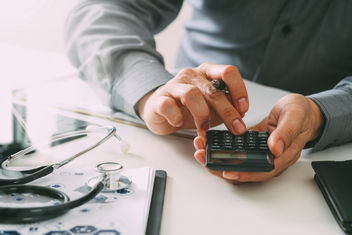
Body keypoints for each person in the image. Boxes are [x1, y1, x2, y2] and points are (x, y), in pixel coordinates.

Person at [65, 0, 352, 183]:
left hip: (320, 159)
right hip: (177, 134)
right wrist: (150, 91)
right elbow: (103, 10)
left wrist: (321, 114)